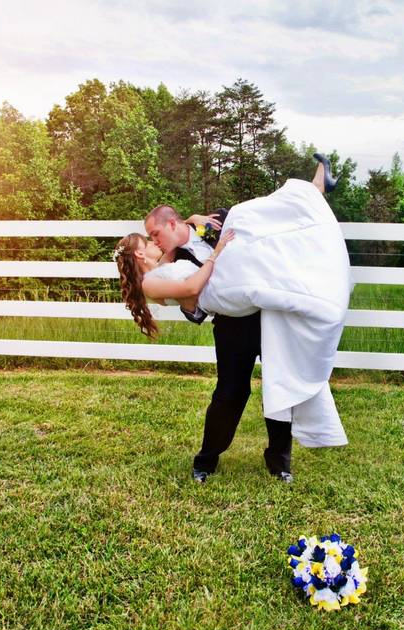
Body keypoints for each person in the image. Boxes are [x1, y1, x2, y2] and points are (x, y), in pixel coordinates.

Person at [114, 154, 348, 484]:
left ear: (172, 223)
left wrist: (203, 228)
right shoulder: (170, 260)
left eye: (155, 233)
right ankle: (206, 459)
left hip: (269, 314)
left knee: (279, 382)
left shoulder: (218, 221)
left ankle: (279, 460)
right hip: (231, 323)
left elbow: (268, 237)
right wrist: (195, 294)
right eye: (149, 239)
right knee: (229, 393)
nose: (154, 241)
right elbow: (191, 304)